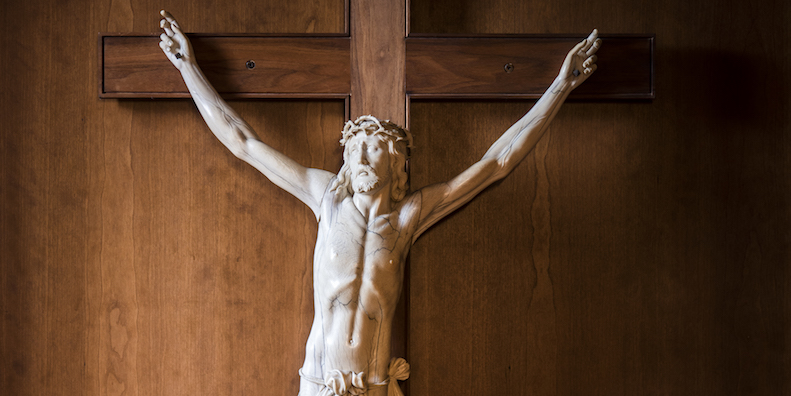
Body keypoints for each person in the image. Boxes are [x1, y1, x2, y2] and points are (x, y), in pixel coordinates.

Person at [158, 10, 600, 396]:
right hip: (319, 384)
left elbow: (497, 162)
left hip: (376, 388)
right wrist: (187, 67)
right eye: (355, 149)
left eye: (373, 148)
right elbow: (243, 143)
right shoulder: (326, 198)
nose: (361, 157)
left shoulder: (408, 217)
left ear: (396, 164)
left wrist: (561, 87)